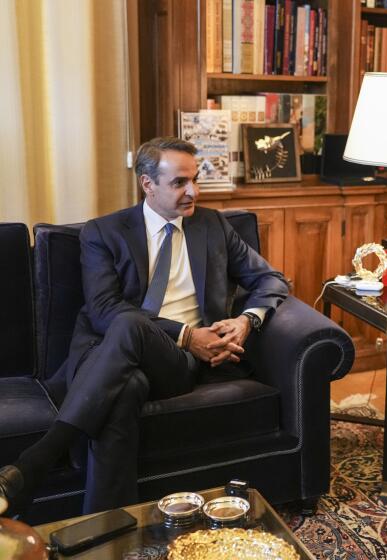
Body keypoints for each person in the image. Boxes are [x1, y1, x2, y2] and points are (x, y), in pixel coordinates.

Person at [0, 137, 289, 516]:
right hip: (108, 354)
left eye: (195, 180)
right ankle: (109, 534)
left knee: (130, 323)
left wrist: (247, 320)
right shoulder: (103, 232)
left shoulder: (213, 225)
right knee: (126, 372)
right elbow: (104, 310)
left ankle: (37, 461)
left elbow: (271, 280)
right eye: (179, 182)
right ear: (147, 183)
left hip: (177, 363)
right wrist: (187, 333)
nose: (193, 191)